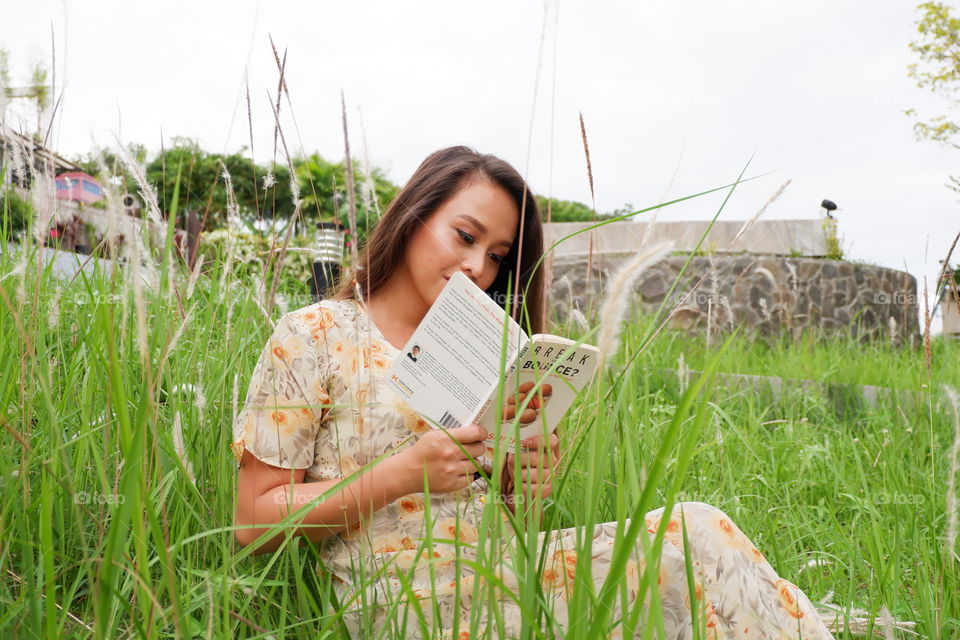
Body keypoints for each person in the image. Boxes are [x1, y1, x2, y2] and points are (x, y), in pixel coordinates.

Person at [232, 146, 836, 639]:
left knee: (699, 529)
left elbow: (503, 519)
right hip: (403, 599)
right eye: (464, 236)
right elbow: (252, 522)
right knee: (688, 557)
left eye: (496, 256)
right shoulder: (316, 334)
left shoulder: (497, 347)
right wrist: (404, 472)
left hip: (504, 572)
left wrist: (524, 486)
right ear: (414, 213)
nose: (478, 267)